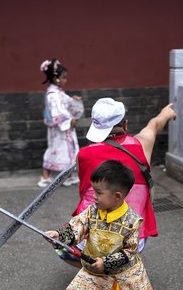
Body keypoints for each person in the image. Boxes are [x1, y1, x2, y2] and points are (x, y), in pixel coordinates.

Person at [46, 160, 171, 290]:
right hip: (91, 270)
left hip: (125, 271)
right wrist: (59, 236)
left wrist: (106, 263)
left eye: (98, 192)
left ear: (117, 196)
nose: (93, 197)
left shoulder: (132, 220)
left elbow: (130, 250)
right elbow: (76, 227)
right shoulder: (92, 211)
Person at [57, 98, 176, 268]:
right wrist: (166, 113)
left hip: (90, 241)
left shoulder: (83, 155)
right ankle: (114, 265)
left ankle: (94, 266)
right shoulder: (142, 144)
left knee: (63, 241)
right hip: (133, 239)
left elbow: (84, 192)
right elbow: (154, 125)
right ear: (125, 124)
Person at [38, 58, 82, 187]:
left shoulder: (58, 93)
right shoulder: (53, 94)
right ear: (56, 79)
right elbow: (57, 112)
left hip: (62, 129)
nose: (65, 80)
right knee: (56, 150)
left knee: (63, 151)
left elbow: (65, 103)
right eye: (64, 78)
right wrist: (69, 120)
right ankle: (46, 176)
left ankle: (66, 176)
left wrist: (73, 101)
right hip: (59, 129)